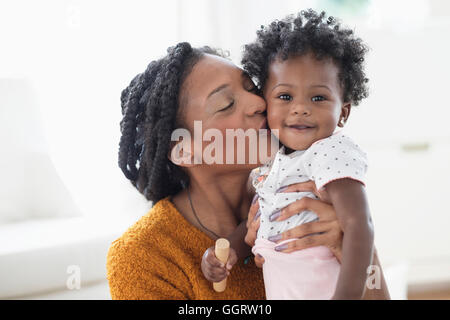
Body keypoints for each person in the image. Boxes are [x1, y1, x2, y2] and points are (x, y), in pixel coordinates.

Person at [107, 39, 390, 299]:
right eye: (226, 104)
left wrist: (346, 246)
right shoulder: (143, 256)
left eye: (253, 88)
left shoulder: (308, 195)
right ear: (185, 150)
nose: (258, 103)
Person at [203, 9, 374, 300]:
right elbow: (263, 220)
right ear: (266, 104)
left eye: (318, 97)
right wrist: (228, 250)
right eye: (285, 97)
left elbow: (359, 226)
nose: (300, 108)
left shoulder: (330, 151)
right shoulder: (273, 160)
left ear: (342, 112)